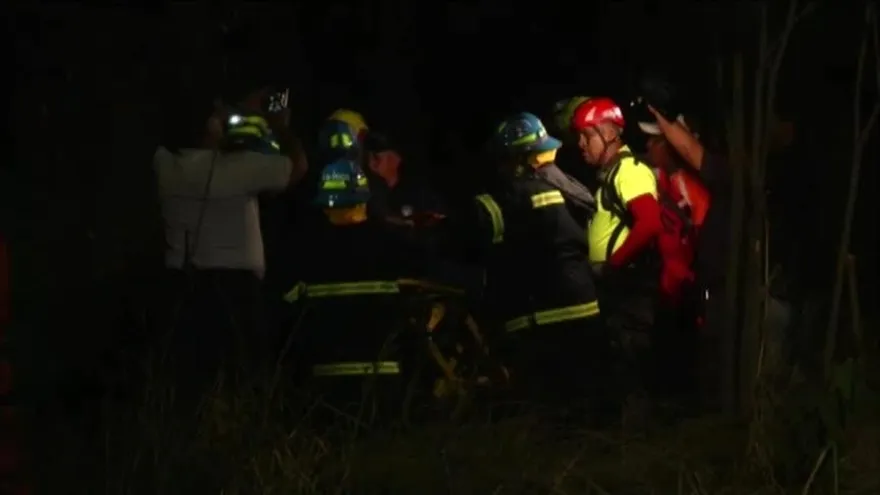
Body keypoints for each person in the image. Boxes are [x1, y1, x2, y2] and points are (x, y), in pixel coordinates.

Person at [153, 86, 308, 404]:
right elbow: (297, 166)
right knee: (242, 378)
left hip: (182, 287)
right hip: (235, 290)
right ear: (208, 125)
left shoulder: (163, 165)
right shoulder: (237, 168)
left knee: (190, 383)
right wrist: (276, 124)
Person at [464, 112, 608, 423]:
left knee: (545, 414)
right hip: (585, 308)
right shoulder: (574, 189)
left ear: (516, 158)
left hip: (539, 316)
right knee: (588, 409)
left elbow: (476, 241)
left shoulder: (505, 197)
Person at [279, 157, 415, 427]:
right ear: (364, 200)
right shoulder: (393, 244)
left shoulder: (302, 254)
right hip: (383, 386)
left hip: (323, 392)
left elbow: (283, 321)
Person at [570, 97, 664, 404]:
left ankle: (639, 442)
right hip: (619, 289)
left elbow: (649, 223)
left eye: (586, 135)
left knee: (632, 374)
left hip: (630, 289)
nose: (581, 144)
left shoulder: (629, 170)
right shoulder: (612, 174)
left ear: (609, 133)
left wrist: (613, 266)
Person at [643, 103, 733, 412]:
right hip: (674, 291)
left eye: (656, 141)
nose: (648, 147)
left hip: (691, 290)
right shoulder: (656, 180)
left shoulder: (695, 187)